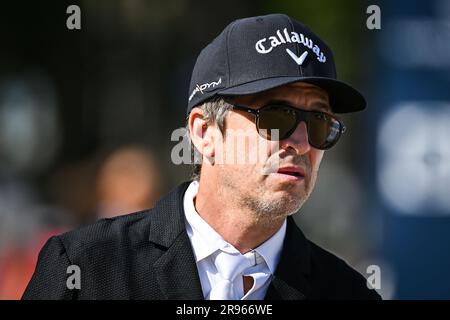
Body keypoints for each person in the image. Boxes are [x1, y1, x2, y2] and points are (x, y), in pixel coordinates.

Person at [22, 14, 381, 300]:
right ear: (204, 132)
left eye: (320, 121)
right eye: (276, 116)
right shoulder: (88, 268)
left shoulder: (348, 293)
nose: (301, 143)